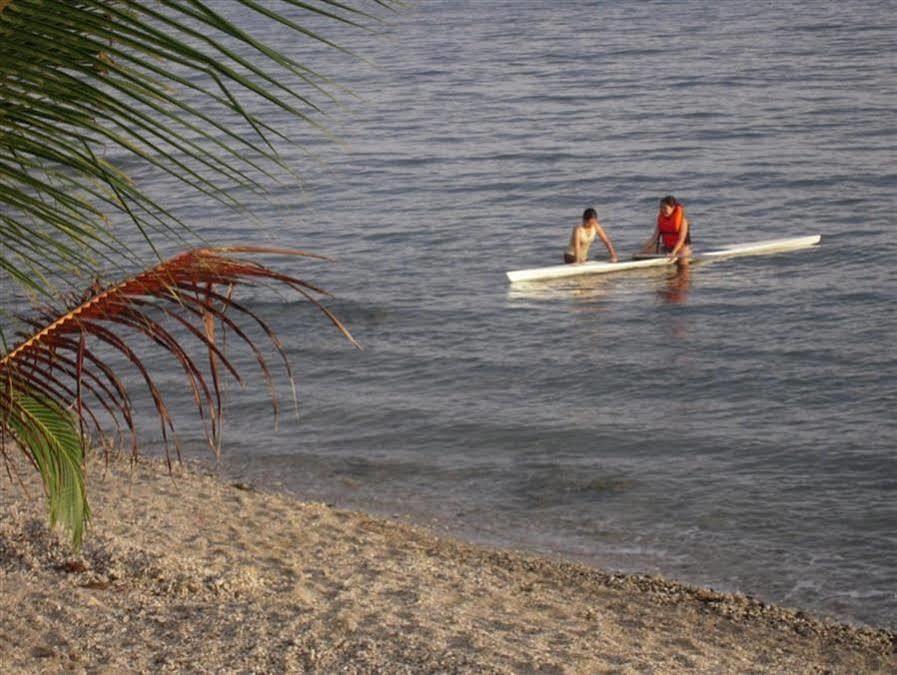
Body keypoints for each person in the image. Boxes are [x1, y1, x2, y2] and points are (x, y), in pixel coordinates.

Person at [645, 195, 692, 260]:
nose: (662, 210)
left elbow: (681, 240)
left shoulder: (683, 221)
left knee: (683, 262)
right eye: (661, 208)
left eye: (665, 208)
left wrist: (673, 253)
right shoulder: (661, 220)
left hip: (681, 248)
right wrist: (644, 250)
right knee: (648, 252)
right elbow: (654, 237)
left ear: (673, 208)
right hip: (667, 248)